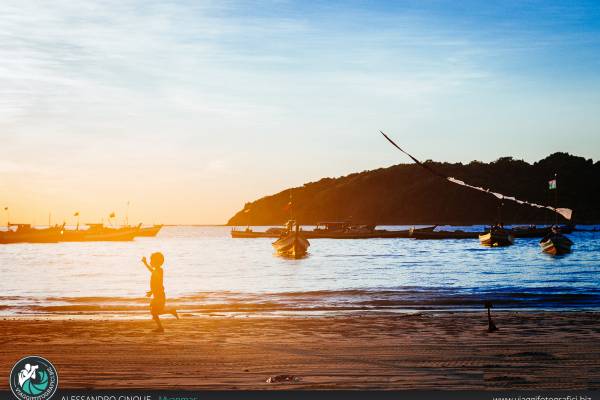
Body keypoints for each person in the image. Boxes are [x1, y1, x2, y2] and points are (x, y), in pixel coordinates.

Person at [141, 252, 178, 332]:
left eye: (152, 261)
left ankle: (161, 327)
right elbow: (152, 271)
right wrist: (145, 263)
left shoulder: (159, 270)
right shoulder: (157, 270)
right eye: (151, 260)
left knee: (154, 312)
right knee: (155, 312)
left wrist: (151, 291)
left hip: (159, 295)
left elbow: (159, 283)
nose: (151, 262)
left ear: (157, 262)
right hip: (157, 294)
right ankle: (170, 311)